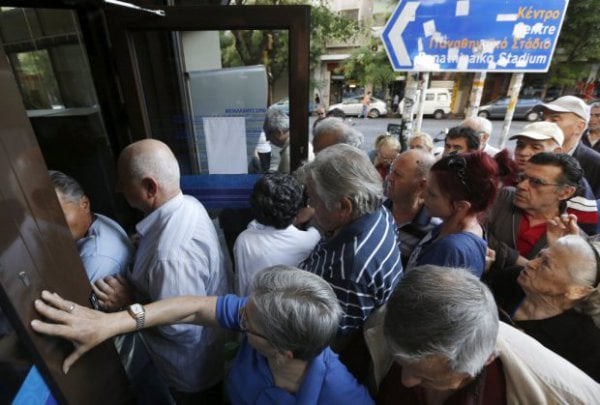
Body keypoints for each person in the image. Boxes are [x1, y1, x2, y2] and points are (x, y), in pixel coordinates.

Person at [30, 266, 374, 404]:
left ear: (282, 351)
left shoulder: (341, 396)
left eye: (245, 321)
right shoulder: (266, 319)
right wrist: (112, 323)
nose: (238, 317)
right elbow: (193, 308)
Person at [93, 139, 230, 403]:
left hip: (190, 375)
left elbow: (182, 331)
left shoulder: (170, 256)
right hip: (206, 356)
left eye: (123, 181)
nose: (118, 188)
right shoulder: (187, 203)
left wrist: (128, 303)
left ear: (149, 187)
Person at [366, 265, 600, 404]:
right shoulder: (401, 320)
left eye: (428, 378)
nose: (406, 380)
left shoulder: (537, 394)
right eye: (402, 362)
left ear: (486, 360)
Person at [297, 144, 402, 378]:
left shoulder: (350, 268)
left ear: (345, 207)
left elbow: (330, 342)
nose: (310, 207)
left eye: (313, 199)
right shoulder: (378, 211)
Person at [495, 232, 600, 382]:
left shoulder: (584, 346)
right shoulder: (513, 279)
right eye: (540, 256)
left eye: (545, 264)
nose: (531, 264)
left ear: (577, 291)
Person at [405, 151, 510, 277]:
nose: (422, 195)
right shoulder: (455, 226)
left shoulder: (451, 249)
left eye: (432, 194)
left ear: (461, 206)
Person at [486, 152, 583, 274]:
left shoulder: (570, 236)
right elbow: (474, 231)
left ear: (565, 192)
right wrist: (517, 259)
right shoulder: (504, 197)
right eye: (522, 177)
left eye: (536, 182)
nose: (521, 186)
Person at [234, 173, 320, 296]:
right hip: (291, 310)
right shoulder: (311, 240)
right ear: (298, 206)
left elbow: (240, 282)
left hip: (251, 308)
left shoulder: (244, 240)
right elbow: (313, 218)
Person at [508, 122, 598, 235]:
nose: (523, 152)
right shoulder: (504, 172)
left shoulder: (576, 185)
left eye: (535, 147)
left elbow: (585, 234)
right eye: (520, 145)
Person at [49, 170, 134, 283]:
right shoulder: (93, 220)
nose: (54, 226)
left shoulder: (97, 256)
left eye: (61, 217)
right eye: (48, 219)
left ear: (84, 205)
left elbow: (86, 300)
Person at [385, 149, 440, 266]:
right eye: (391, 170)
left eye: (398, 174)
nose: (389, 177)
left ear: (422, 185)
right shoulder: (375, 210)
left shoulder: (434, 229)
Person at [537, 95, 600, 197]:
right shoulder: (530, 154)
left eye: (554, 120)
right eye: (543, 118)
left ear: (579, 127)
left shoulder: (595, 165)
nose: (544, 124)